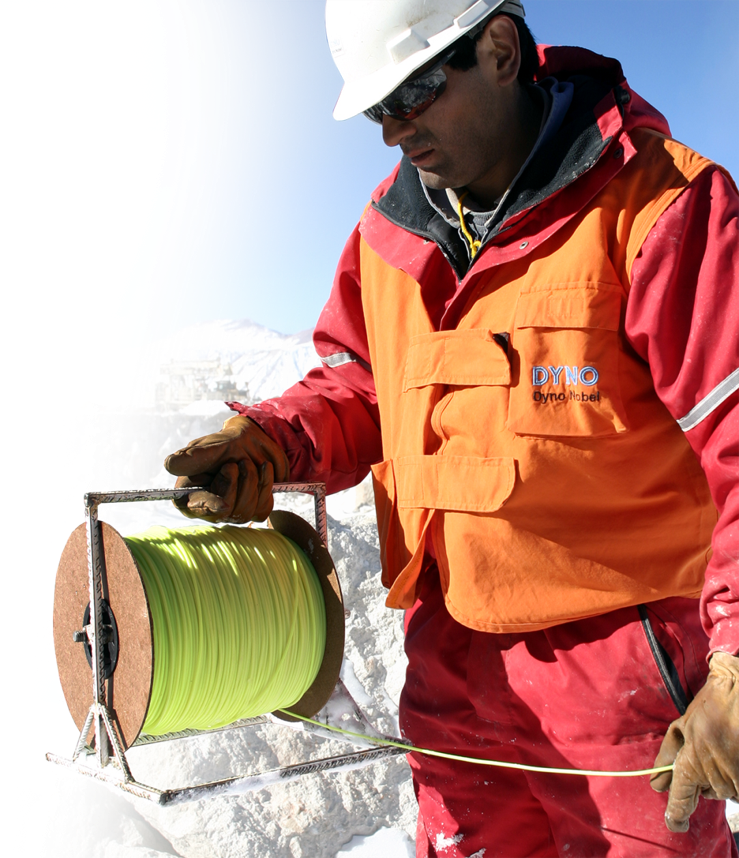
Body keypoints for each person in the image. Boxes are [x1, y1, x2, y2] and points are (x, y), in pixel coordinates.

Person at [164, 1, 739, 855]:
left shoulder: (657, 207)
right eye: (377, 109)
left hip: (621, 676)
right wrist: (272, 441)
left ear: (500, 50)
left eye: (413, 93)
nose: (394, 131)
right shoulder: (389, 232)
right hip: (450, 664)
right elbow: (365, 384)